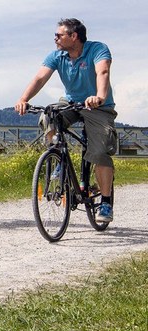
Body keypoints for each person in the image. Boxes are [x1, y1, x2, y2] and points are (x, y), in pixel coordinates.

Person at [14, 18, 117, 223]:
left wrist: (99, 96)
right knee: (48, 114)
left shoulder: (97, 49)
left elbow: (102, 71)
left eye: (59, 35)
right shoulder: (57, 55)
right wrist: (24, 99)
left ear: (73, 36)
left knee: (99, 152)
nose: (55, 39)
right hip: (71, 102)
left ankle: (105, 202)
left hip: (97, 106)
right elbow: (40, 78)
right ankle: (58, 153)